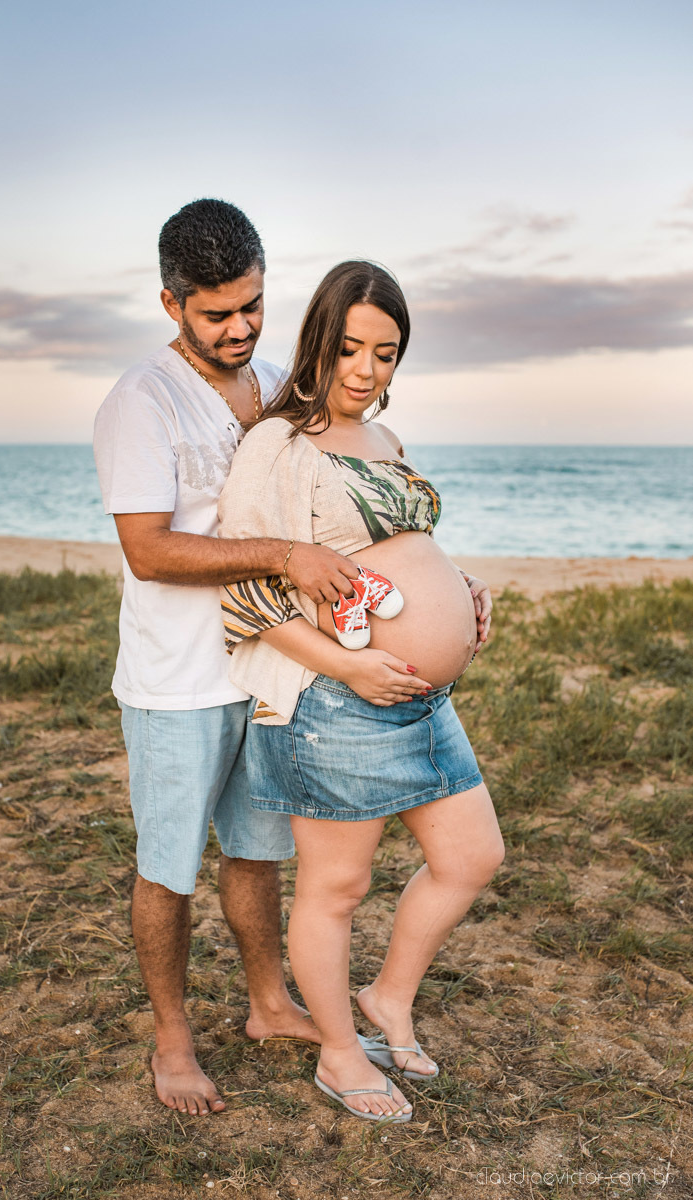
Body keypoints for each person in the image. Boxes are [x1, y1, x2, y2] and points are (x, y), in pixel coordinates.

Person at [92, 203, 429, 1117]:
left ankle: (269, 1003)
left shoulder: (277, 383)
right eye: (216, 314)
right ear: (171, 303)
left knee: (256, 851)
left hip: (269, 668)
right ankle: (171, 1039)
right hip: (175, 681)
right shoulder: (141, 402)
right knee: (168, 867)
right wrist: (284, 557)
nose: (239, 328)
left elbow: (328, 511)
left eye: (252, 305)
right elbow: (149, 551)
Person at [219, 260, 505, 1123]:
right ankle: (339, 1053)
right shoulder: (278, 445)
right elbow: (245, 595)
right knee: (336, 889)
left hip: (419, 698)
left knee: (472, 857)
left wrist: (458, 588)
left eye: (385, 353)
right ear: (319, 341)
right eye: (349, 348)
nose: (365, 369)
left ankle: (388, 998)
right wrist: (349, 666)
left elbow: (398, 547)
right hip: (333, 700)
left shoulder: (384, 439)